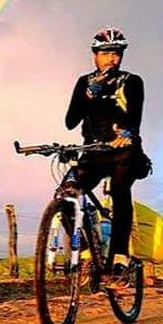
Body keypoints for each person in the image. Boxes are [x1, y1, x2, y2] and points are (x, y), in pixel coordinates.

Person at [63, 26, 146, 277]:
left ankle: (120, 256)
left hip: (124, 152)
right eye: (106, 53)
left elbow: (135, 118)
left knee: (120, 189)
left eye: (117, 53)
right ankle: (88, 251)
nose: (112, 58)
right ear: (94, 55)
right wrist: (89, 95)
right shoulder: (84, 82)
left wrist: (128, 133)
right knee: (66, 194)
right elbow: (70, 122)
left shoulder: (131, 81)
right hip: (94, 152)